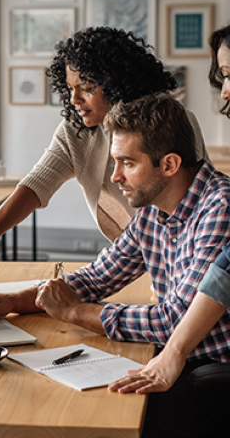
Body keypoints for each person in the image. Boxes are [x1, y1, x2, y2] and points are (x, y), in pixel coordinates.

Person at [0, 93, 230, 438]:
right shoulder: (155, 209)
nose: (114, 177)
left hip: (210, 374)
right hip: (176, 361)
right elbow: (99, 276)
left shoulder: (219, 208)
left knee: (82, 417)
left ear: (169, 165)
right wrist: (18, 301)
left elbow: (174, 321)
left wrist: (76, 314)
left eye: (127, 163)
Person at [0, 27, 207, 282]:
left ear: (117, 83)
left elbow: (193, 207)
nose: (74, 99)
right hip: (130, 258)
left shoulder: (169, 122)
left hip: (183, 256)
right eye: (70, 88)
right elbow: (37, 184)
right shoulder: (76, 131)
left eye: (86, 87)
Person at [109, 23, 230, 396]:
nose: (225, 92)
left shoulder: (218, 203)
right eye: (223, 76)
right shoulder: (151, 210)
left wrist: (175, 349)